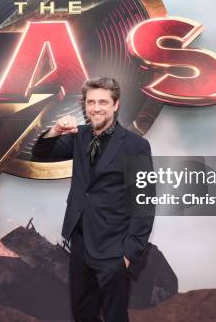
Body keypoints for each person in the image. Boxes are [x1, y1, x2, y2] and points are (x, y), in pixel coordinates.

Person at [32, 77, 154, 322]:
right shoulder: (80, 135)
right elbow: (41, 154)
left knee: (114, 316)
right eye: (90, 102)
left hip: (114, 249)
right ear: (84, 105)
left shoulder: (136, 145)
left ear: (115, 105)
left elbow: (143, 203)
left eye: (102, 102)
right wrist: (55, 131)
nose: (96, 108)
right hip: (80, 245)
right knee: (82, 314)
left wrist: (128, 253)